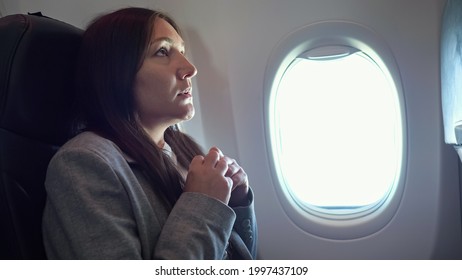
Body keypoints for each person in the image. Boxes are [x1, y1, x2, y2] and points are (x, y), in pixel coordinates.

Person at [42, 7, 257, 260]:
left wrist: (237, 201)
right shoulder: (83, 164)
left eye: (183, 52)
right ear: (117, 72)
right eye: (162, 51)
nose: (190, 68)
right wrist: (204, 203)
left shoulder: (182, 148)